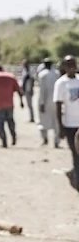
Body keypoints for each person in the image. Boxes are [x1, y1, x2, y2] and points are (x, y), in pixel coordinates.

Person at [53, 55, 79, 191]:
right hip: (70, 125)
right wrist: (61, 127)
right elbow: (58, 106)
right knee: (75, 153)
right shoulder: (61, 84)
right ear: (64, 67)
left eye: (73, 64)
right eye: (68, 65)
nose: (72, 68)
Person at [37, 58, 60, 147]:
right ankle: (56, 141)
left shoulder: (42, 74)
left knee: (43, 120)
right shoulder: (56, 73)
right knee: (56, 121)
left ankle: (45, 138)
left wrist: (42, 103)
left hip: (46, 101)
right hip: (56, 100)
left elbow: (42, 90)